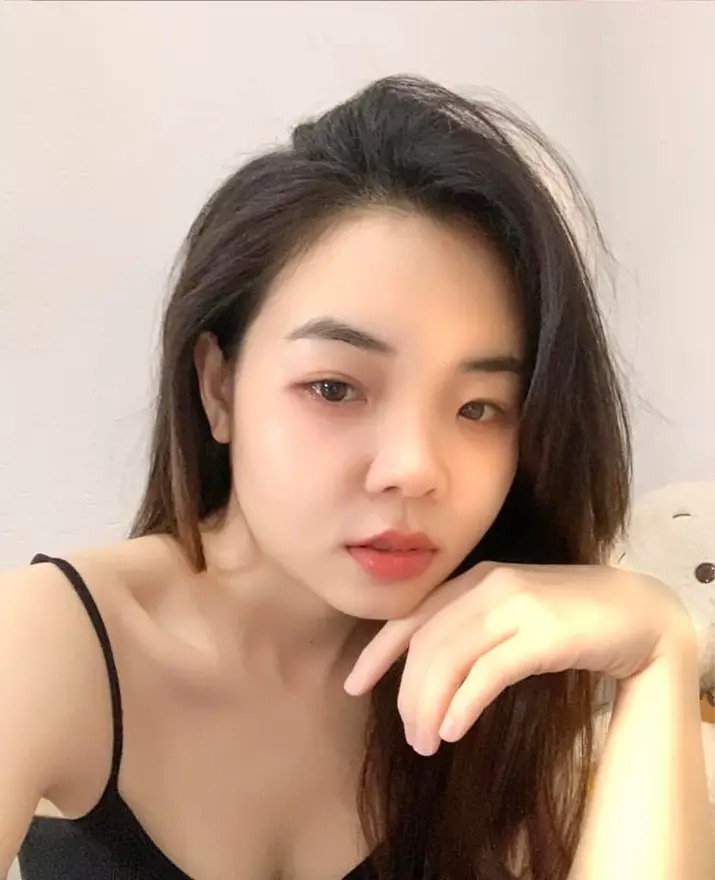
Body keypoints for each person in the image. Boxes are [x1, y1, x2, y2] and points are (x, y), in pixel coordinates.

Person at [0, 74, 711, 880]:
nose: (413, 468)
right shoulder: (44, 641)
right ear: (219, 387)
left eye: (479, 407)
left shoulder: (490, 679)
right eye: (335, 388)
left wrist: (658, 652)